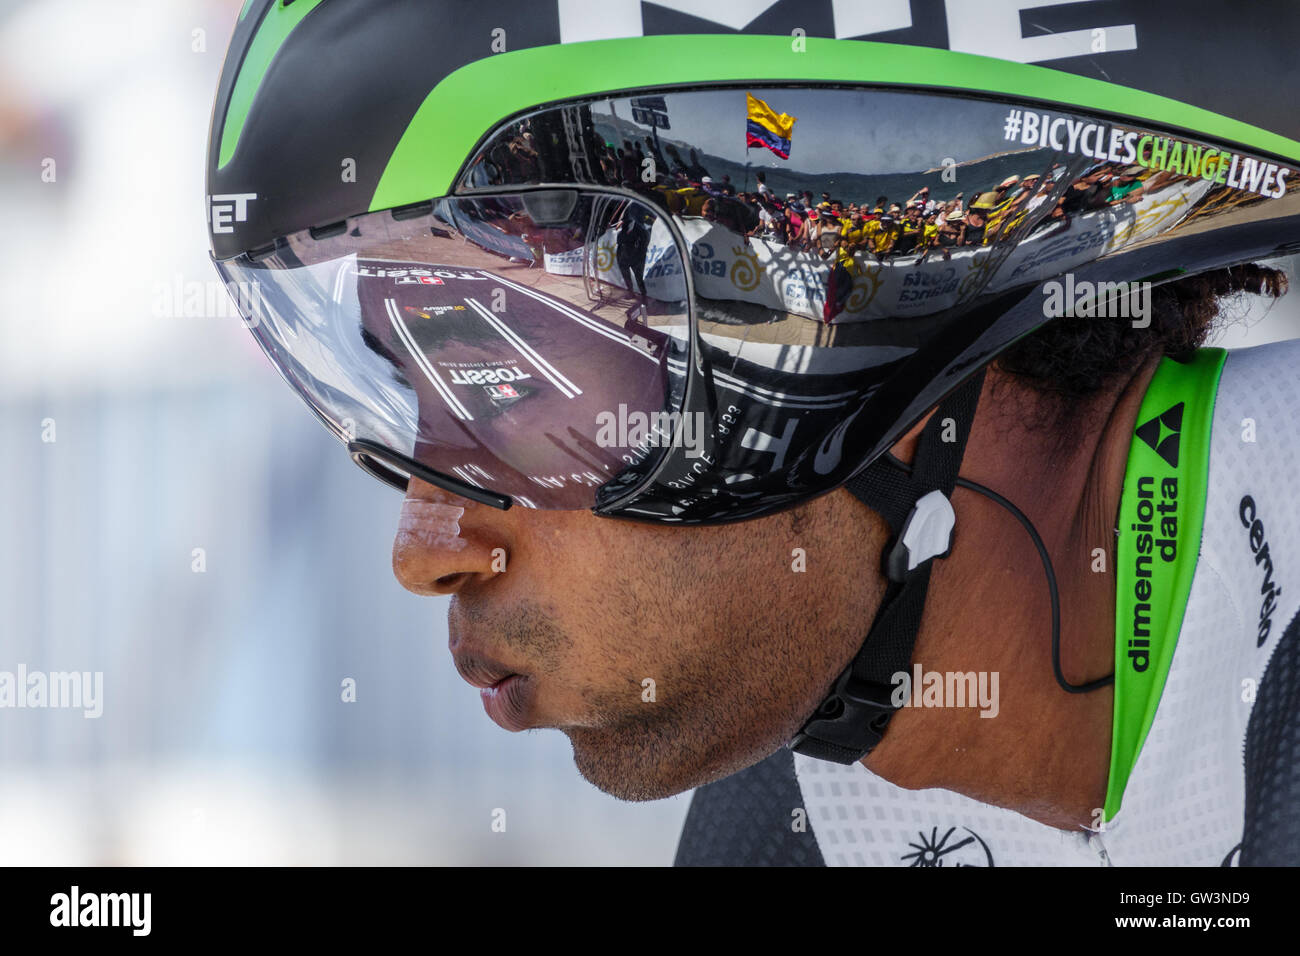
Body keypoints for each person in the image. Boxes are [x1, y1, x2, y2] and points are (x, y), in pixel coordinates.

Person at [208, 0, 1300, 867]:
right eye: (408, 400)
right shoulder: (806, 788)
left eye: (504, 378)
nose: (425, 551)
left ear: (859, 309)